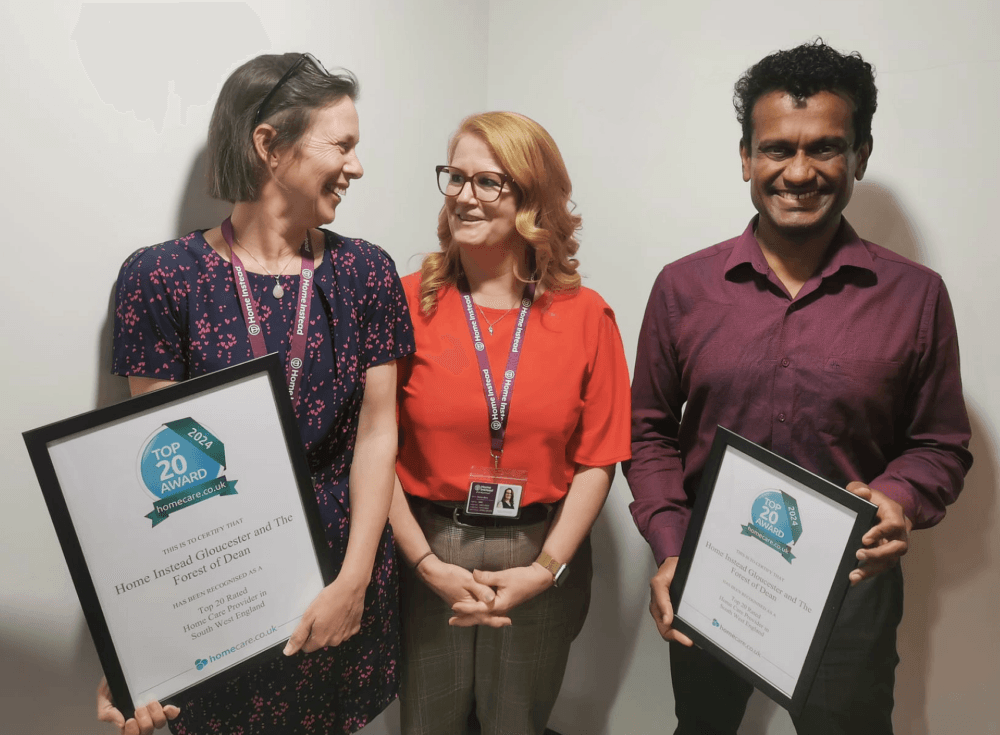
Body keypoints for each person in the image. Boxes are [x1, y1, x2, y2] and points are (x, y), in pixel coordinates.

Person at [625, 39, 973, 735]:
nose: (799, 171)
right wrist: (672, 545)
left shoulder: (916, 295)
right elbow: (649, 431)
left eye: (826, 148)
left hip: (849, 585)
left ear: (860, 156)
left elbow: (940, 443)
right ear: (747, 158)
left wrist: (900, 498)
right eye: (778, 149)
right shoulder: (682, 288)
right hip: (710, 569)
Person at [98, 52, 413, 735]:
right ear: (268, 144)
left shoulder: (369, 272)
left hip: (341, 573)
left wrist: (355, 581)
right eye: (343, 145)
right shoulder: (160, 279)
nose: (356, 167)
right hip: (220, 590)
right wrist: (140, 644)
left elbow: (377, 432)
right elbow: (156, 473)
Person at [389, 111, 631, 735]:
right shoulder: (406, 302)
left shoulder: (587, 315)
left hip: (537, 550)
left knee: (515, 724)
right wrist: (423, 563)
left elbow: (599, 459)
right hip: (427, 548)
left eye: (488, 182)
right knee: (425, 723)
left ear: (533, 198)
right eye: (455, 178)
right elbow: (374, 450)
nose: (465, 196)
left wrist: (544, 569)